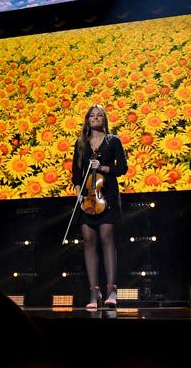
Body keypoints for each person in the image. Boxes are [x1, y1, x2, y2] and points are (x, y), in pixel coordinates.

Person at [71, 105, 128, 309]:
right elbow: (76, 174)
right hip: (86, 197)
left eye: (99, 116)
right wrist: (79, 196)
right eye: (92, 116)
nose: (95, 118)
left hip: (107, 195)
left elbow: (122, 168)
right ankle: (94, 292)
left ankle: (111, 288)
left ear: (104, 120)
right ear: (88, 120)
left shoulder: (114, 141)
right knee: (88, 241)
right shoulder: (80, 143)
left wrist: (103, 167)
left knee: (106, 238)